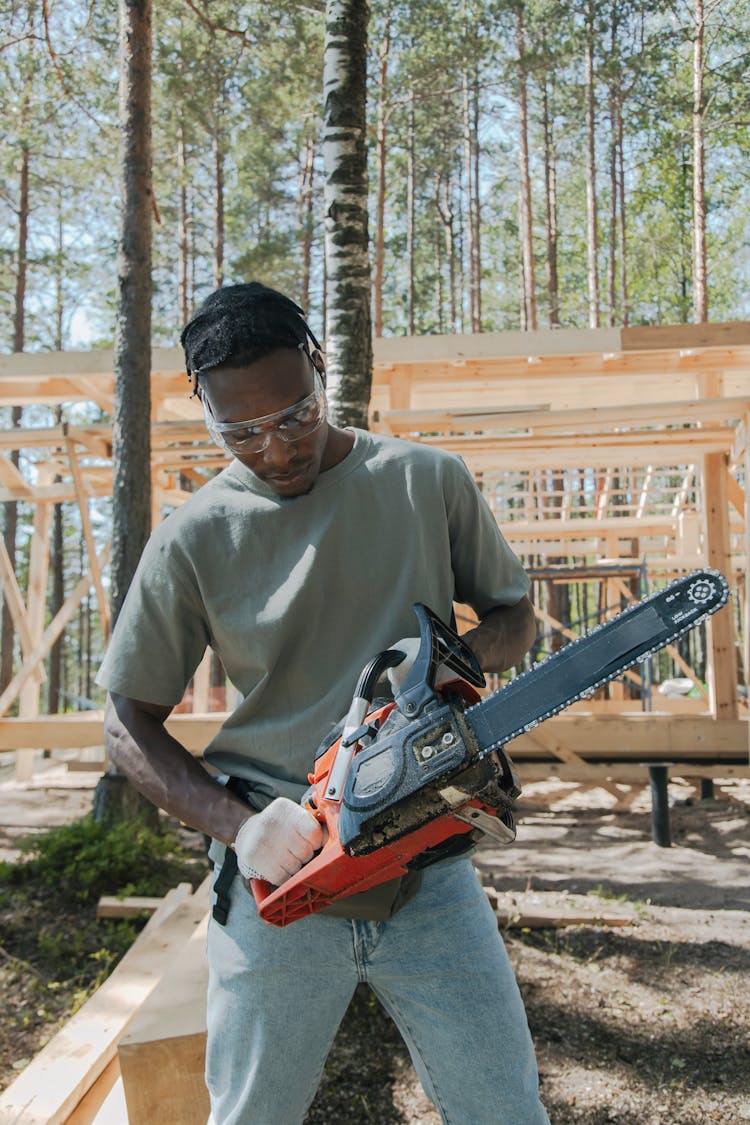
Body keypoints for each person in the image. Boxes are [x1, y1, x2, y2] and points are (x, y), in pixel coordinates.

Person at [98, 281, 550, 1125]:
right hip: (282, 876)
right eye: (242, 432)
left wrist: (447, 664)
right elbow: (126, 724)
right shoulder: (194, 535)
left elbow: (512, 614)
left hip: (431, 870)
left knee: (504, 1108)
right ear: (208, 417)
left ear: (318, 365)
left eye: (294, 416)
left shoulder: (425, 480)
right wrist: (242, 825)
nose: (274, 448)